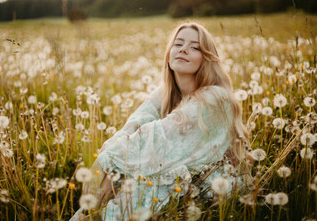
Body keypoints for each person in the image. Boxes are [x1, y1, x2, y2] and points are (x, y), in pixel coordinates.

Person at [71, 22, 252, 221]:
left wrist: (106, 161)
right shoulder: (165, 93)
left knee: (139, 180)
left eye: (194, 47)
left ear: (206, 58)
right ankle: (92, 214)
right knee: (129, 173)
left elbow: (160, 136)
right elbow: (135, 125)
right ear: (168, 53)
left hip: (208, 187)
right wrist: (108, 159)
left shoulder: (217, 98)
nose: (184, 49)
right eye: (178, 44)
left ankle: (97, 216)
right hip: (173, 177)